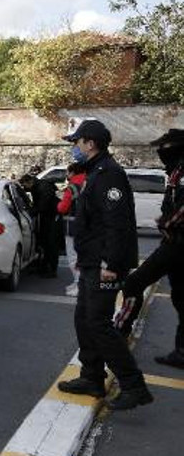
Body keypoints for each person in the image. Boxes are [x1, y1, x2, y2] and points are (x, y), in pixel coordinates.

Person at [57, 119, 152, 411]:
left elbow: (117, 223)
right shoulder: (96, 172)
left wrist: (110, 262)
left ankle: (134, 386)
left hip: (104, 263)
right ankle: (92, 377)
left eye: (77, 141)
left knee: (99, 324)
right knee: (84, 320)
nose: (74, 147)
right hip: (92, 261)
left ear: (90, 143)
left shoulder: (109, 174)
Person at [118, 129, 184, 369]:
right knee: (181, 297)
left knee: (134, 283)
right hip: (175, 243)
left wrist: (166, 222)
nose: (160, 152)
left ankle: (118, 336)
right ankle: (181, 351)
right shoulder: (176, 170)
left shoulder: (182, 169)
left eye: (164, 147)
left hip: (177, 244)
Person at [20, 174, 61, 278]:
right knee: (44, 241)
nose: (25, 189)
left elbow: (42, 206)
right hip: (46, 216)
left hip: (53, 216)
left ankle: (52, 270)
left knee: (51, 243)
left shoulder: (43, 187)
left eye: (25, 185)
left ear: (29, 182)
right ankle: (43, 266)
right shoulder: (36, 186)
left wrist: (30, 213)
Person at [57, 163, 87, 296]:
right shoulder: (90, 182)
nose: (66, 175)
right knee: (85, 256)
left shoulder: (72, 187)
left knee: (73, 256)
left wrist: (58, 203)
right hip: (89, 226)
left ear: (73, 173)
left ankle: (79, 284)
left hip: (73, 226)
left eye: (68, 172)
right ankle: (80, 283)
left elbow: (63, 208)